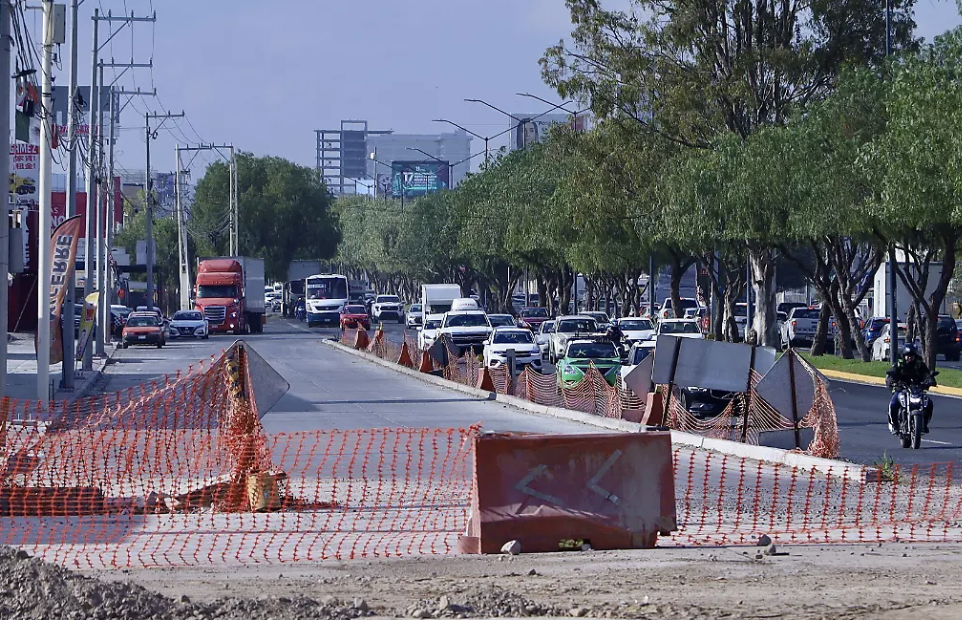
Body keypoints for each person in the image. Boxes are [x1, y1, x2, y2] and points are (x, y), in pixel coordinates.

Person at [886, 343, 935, 434]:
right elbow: (891, 375)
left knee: (929, 403)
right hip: (901, 389)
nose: (909, 358)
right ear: (904, 356)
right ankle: (895, 425)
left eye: (911, 356)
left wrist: (930, 380)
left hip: (916, 389)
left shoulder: (920, 365)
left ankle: (924, 424)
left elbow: (926, 374)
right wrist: (892, 381)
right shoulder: (899, 365)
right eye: (907, 356)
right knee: (893, 404)